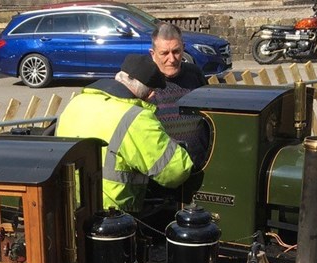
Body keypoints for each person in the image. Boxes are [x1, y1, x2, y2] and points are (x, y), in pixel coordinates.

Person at [56, 53, 193, 214]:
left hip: (71, 205)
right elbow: (175, 171)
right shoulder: (135, 118)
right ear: (150, 93)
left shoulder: (77, 102)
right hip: (114, 214)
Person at [148, 23, 210, 169]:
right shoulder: (145, 81)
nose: (172, 59)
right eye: (164, 53)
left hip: (199, 163)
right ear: (153, 54)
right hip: (164, 169)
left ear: (183, 48)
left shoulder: (194, 73)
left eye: (176, 51)